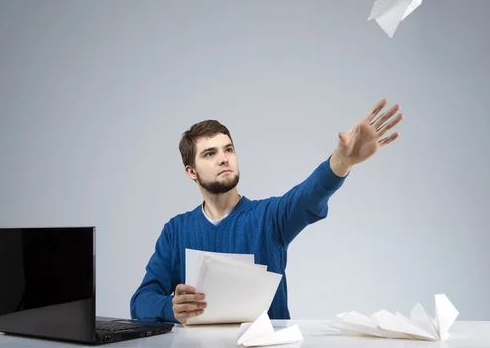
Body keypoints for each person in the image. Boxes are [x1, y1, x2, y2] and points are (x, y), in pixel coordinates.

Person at [130, 98, 404, 324]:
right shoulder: (176, 230)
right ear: (191, 171)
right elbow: (141, 302)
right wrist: (170, 307)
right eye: (209, 154)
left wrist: (342, 161)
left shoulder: (269, 217)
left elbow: (308, 196)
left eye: (228, 149)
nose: (224, 157)